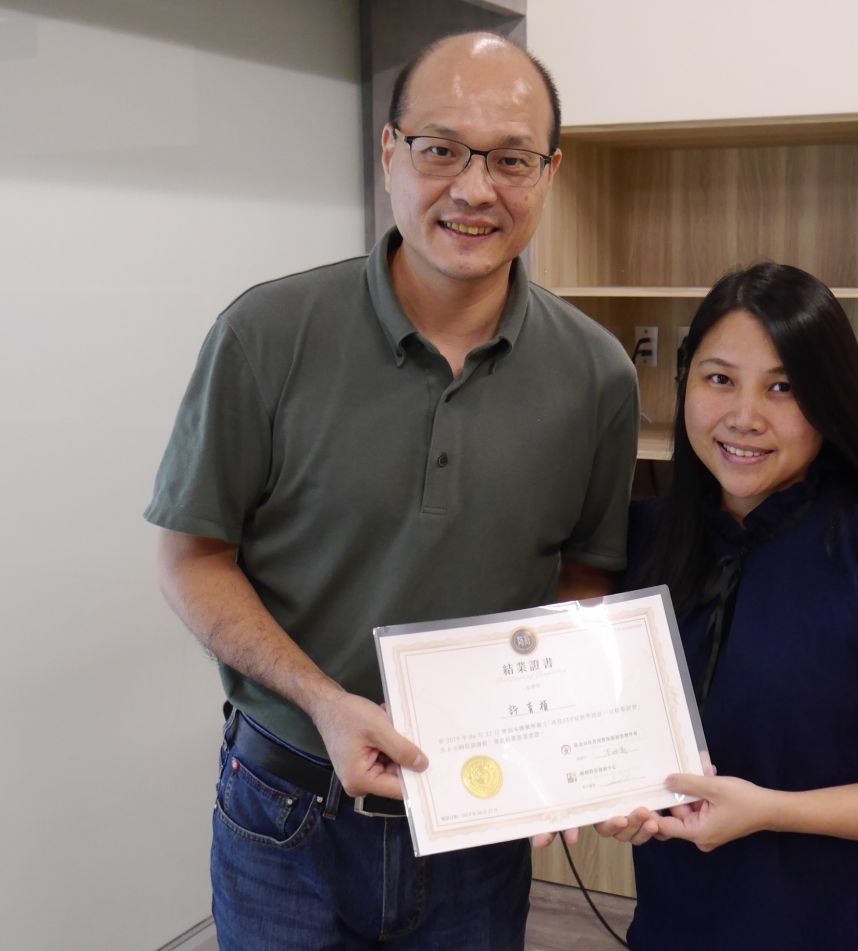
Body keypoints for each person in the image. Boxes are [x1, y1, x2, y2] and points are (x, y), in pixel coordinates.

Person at [145, 32, 638, 951]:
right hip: (287, 807)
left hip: (478, 820)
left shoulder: (599, 374)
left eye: (510, 159)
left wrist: (570, 740)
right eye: (440, 148)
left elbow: (583, 576)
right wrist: (324, 700)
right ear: (388, 154)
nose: (474, 189)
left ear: (550, 173)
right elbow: (191, 558)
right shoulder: (266, 334)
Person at [598, 263, 858, 950]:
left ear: (830, 401)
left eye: (782, 388)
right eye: (719, 379)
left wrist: (771, 811)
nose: (743, 417)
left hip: (850, 926)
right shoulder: (644, 541)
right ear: (685, 383)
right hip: (682, 923)